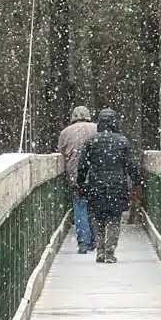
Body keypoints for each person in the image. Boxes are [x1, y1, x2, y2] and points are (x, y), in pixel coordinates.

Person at [77, 108, 143, 264]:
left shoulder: (91, 142)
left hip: (96, 185)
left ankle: (99, 250)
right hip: (117, 186)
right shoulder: (122, 142)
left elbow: (82, 167)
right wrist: (137, 183)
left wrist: (80, 183)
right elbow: (131, 165)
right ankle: (109, 251)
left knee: (97, 218)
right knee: (114, 218)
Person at [57, 104, 98, 253]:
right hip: (94, 176)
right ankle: (95, 241)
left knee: (80, 207)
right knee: (94, 208)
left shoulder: (65, 132)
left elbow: (61, 152)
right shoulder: (97, 129)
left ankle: (83, 243)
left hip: (75, 177)